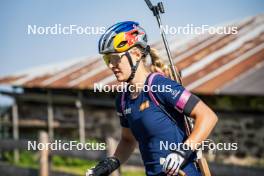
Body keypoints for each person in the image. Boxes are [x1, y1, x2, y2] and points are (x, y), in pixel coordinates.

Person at [89, 21, 218, 176]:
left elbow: (208, 116)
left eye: (115, 58)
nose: (111, 65)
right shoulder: (123, 100)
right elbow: (128, 140)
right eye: (107, 60)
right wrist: (111, 163)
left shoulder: (159, 85)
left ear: (136, 54)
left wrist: (182, 152)